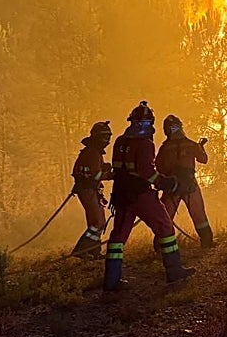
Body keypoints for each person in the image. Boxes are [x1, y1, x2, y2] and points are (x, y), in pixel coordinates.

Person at [103, 101, 196, 291]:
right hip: (141, 195)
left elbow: (118, 169)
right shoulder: (145, 144)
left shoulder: (120, 141)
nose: (148, 128)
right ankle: (174, 272)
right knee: (165, 228)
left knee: (118, 237)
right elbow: (147, 172)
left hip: (121, 196)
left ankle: (111, 282)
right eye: (147, 123)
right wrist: (166, 182)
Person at [155, 114, 214, 248]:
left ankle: (160, 247)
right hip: (190, 186)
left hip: (171, 187)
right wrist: (201, 147)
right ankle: (207, 243)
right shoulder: (191, 144)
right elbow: (203, 159)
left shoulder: (164, 148)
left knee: (166, 218)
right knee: (199, 215)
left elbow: (159, 167)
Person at [69, 120, 114, 259]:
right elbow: (95, 176)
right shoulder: (93, 153)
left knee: (94, 221)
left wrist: (103, 167)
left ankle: (94, 251)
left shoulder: (92, 152)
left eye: (108, 137)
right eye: (105, 137)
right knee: (98, 222)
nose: (107, 141)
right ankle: (81, 249)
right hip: (88, 190)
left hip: (88, 190)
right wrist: (110, 175)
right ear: (97, 137)